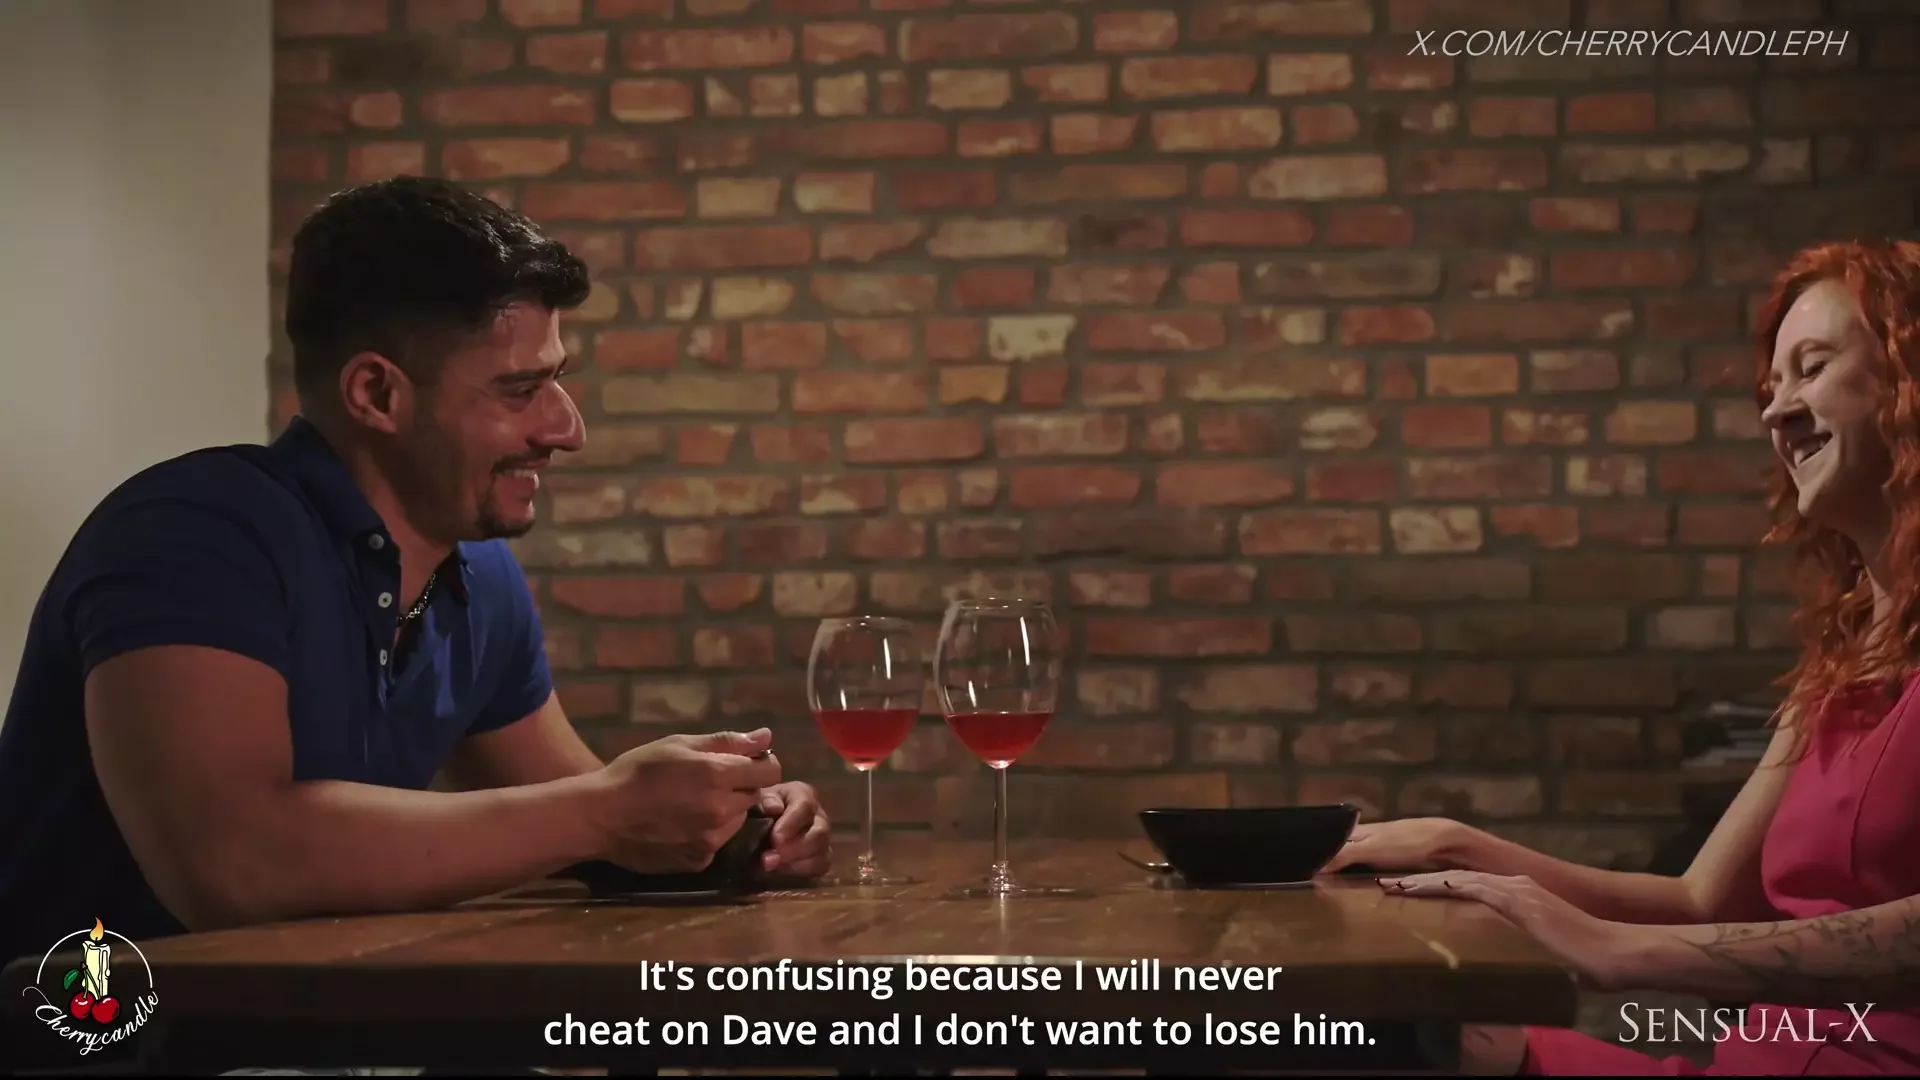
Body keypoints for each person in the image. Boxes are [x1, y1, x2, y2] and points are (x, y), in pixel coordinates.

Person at [0, 176, 830, 977]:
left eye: (557, 380)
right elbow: (236, 866)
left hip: (313, 1031)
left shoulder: (480, 575)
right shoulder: (194, 533)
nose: (566, 428)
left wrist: (731, 826)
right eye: (521, 389)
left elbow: (584, 820)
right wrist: (610, 810)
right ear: (376, 393)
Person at [1322, 238, 1920, 1075]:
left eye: (1812, 368)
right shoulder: (1840, 664)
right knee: (1344, 1042)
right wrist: (1454, 846)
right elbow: (1696, 900)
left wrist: (1619, 952)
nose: (1776, 412)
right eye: (1771, 385)